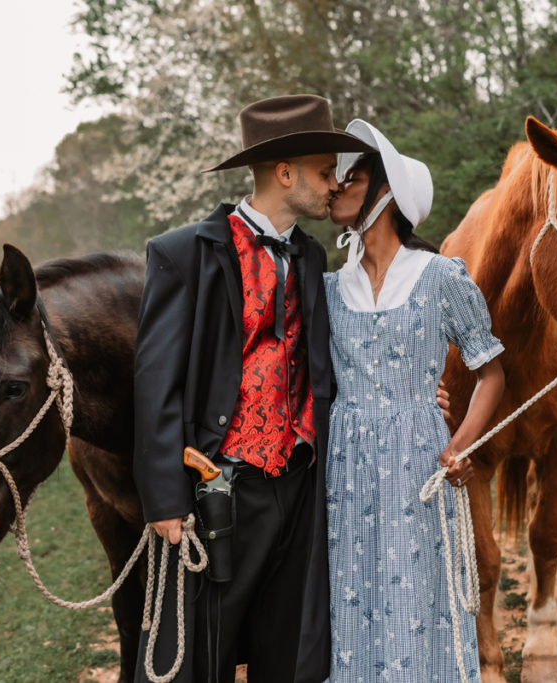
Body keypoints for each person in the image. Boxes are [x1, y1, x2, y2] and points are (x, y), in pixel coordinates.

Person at [131, 94, 375, 683]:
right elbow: (155, 380)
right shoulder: (183, 254)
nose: (333, 187)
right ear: (284, 173)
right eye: (323, 172)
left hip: (299, 482)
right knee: (206, 646)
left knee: (288, 646)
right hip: (223, 485)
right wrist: (165, 497)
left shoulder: (313, 256)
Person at [323, 120, 506, 681]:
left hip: (420, 460)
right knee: (350, 598)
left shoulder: (442, 278)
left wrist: (459, 443)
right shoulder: (328, 287)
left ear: (384, 193)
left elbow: (493, 373)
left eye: (349, 176)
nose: (334, 185)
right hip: (346, 463)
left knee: (419, 602)